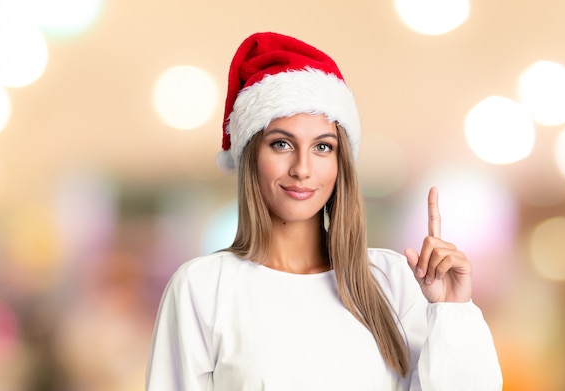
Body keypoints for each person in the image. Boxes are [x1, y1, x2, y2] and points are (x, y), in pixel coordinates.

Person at [145, 32, 503, 390]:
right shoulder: (204, 287)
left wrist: (453, 310)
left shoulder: (392, 282)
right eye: (281, 144)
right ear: (251, 155)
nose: (302, 168)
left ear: (340, 162)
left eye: (322, 147)